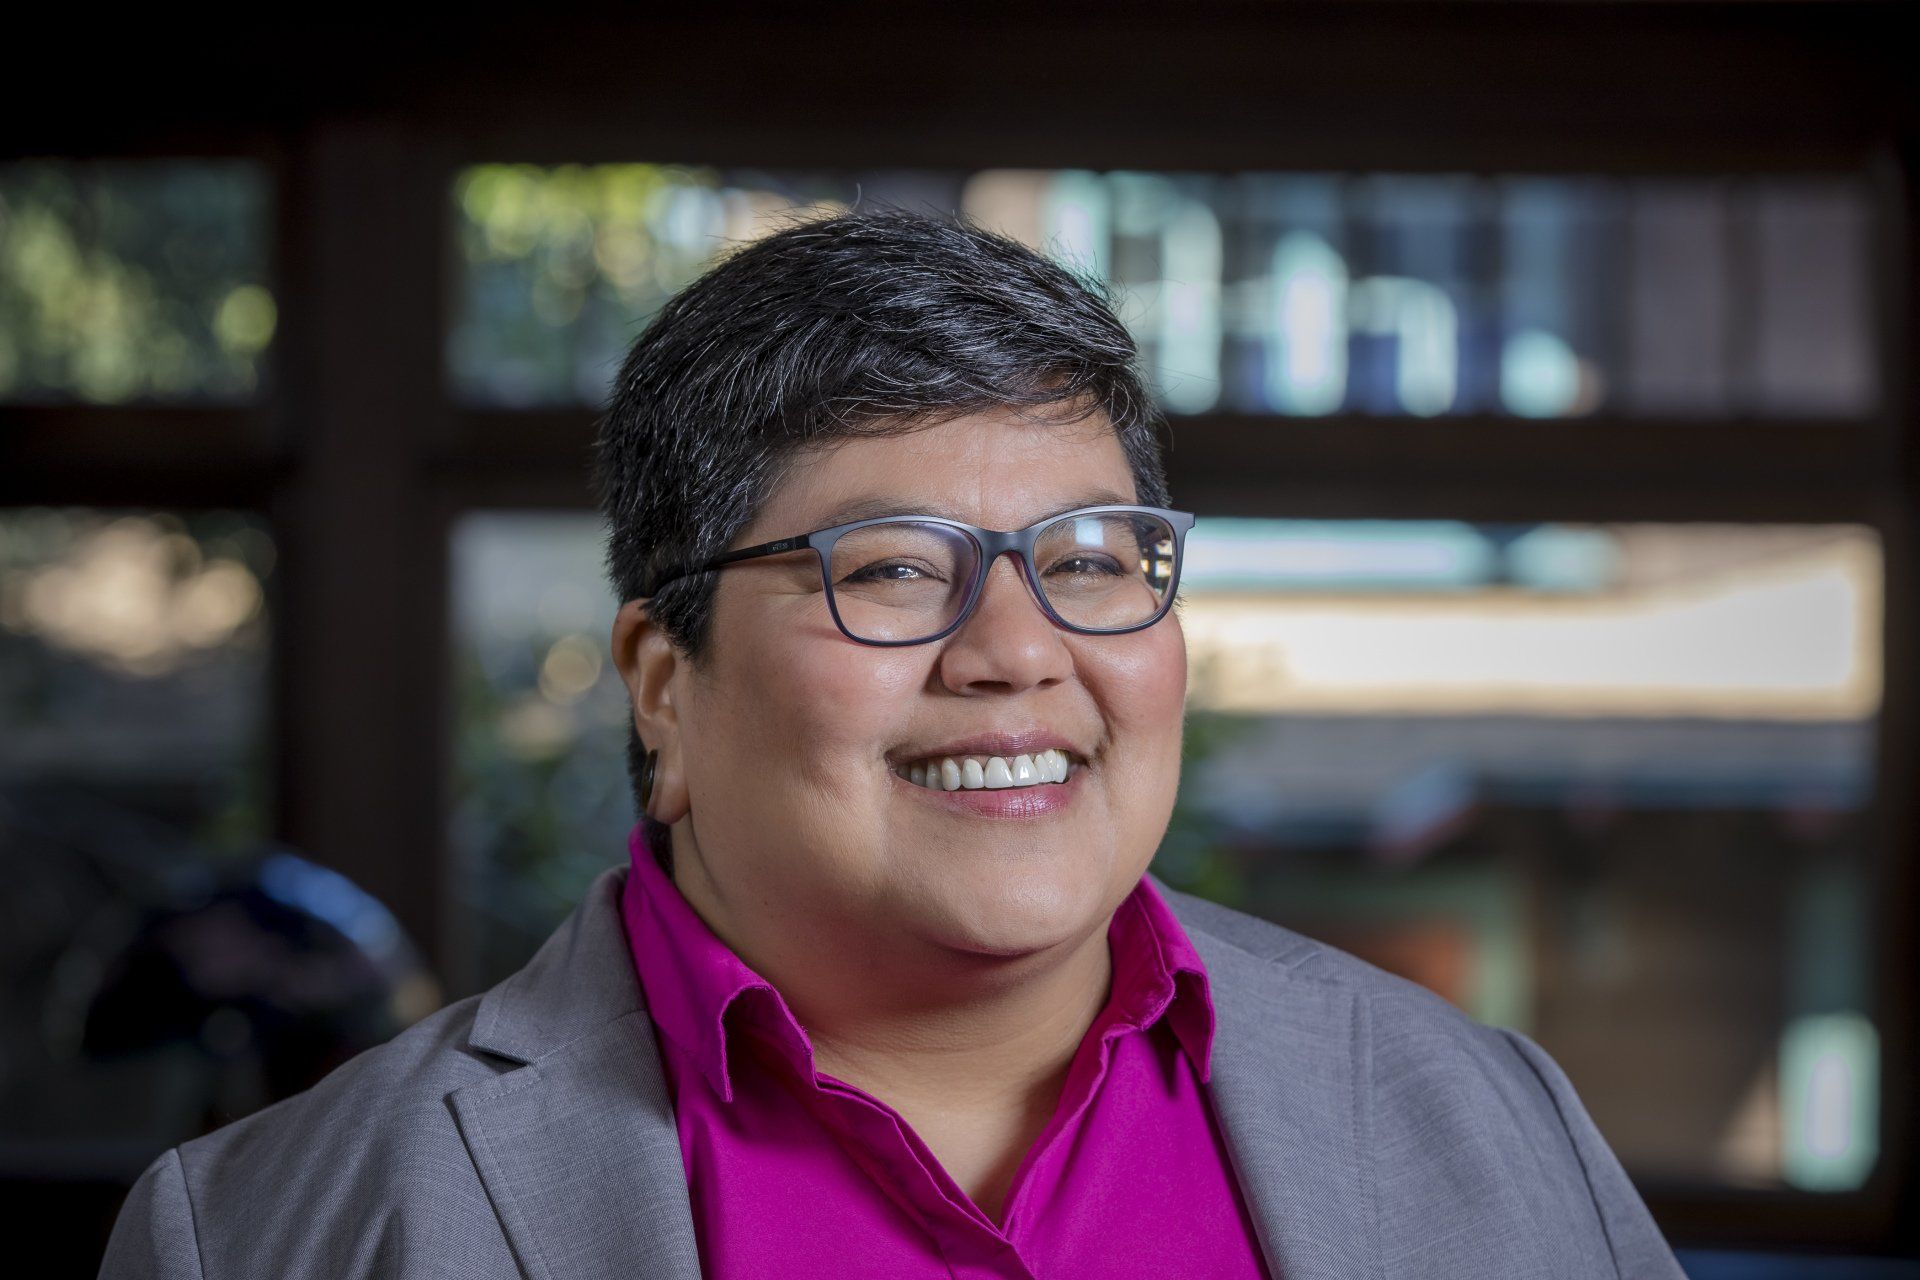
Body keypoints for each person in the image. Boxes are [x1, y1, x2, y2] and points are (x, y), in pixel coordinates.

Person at [99, 208, 1686, 1279]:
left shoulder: (1480, 1117)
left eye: (1088, 559)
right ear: (664, 683)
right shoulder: (267, 1229)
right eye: (893, 572)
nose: (1016, 654)